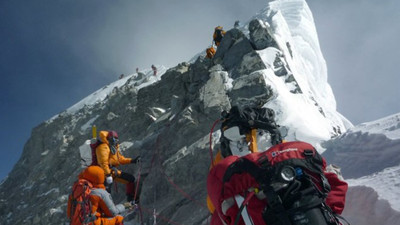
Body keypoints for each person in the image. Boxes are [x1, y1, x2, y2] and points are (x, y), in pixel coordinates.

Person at [206, 106, 348, 225]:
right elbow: (334, 191)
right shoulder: (298, 155)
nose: (249, 145)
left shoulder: (224, 176)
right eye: (242, 142)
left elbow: (217, 209)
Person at [68, 165, 134, 225]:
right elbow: (113, 212)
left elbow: (69, 214)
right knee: (118, 219)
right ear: (100, 178)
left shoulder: (76, 190)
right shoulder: (100, 193)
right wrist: (125, 206)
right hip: (92, 223)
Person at [96, 130, 141, 202]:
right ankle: (105, 209)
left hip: (112, 172)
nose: (114, 141)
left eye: (115, 139)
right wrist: (108, 175)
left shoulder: (112, 147)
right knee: (106, 192)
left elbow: (120, 159)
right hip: (104, 174)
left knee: (130, 179)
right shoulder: (103, 147)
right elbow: (103, 163)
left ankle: (130, 199)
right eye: (113, 139)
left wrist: (132, 160)